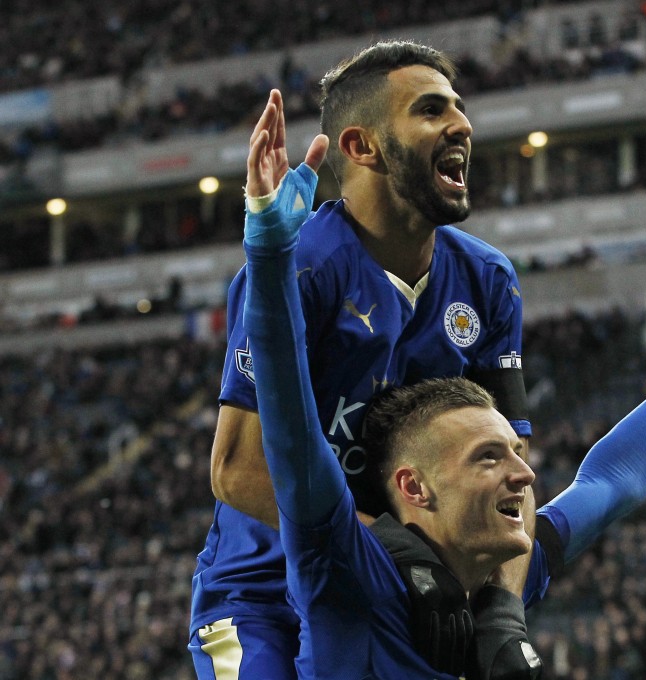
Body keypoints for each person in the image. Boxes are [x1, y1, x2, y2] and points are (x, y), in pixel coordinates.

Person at [238, 147, 646, 677]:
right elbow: (288, 422)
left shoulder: (498, 565)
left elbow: (616, 481)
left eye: (512, 455)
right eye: (488, 458)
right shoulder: (349, 568)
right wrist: (269, 255)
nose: (524, 472)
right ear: (415, 488)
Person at [190, 41, 536, 679]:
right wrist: (387, 545)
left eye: (459, 108)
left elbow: (511, 465)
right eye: (431, 111)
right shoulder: (305, 269)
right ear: (362, 146)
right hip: (261, 596)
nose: (462, 125)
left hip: (403, 593)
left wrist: (500, 607)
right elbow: (236, 471)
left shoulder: (489, 280)